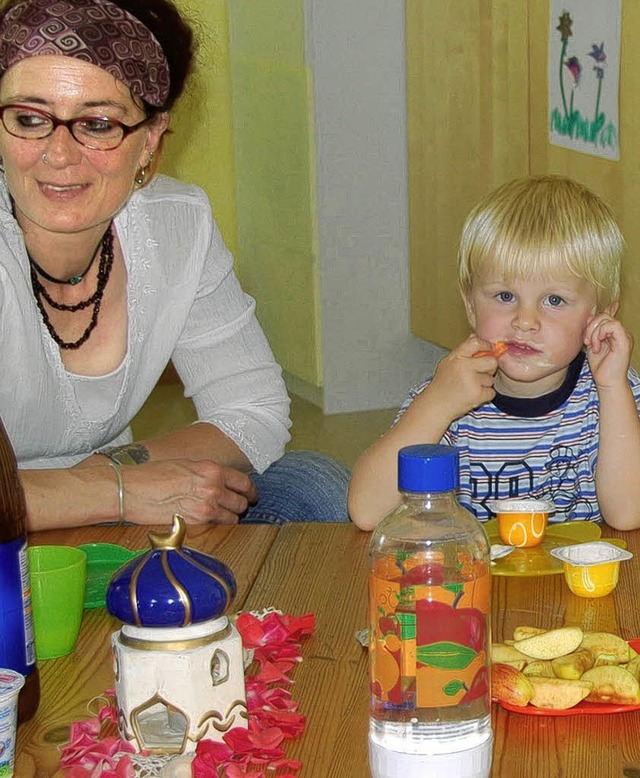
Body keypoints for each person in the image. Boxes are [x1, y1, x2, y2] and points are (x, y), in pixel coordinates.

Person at [0, 0, 349, 529]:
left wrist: (109, 478)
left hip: (103, 503)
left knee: (315, 488)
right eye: (29, 118)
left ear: (151, 138)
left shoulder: (175, 224)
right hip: (27, 522)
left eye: (97, 124)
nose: (59, 154)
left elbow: (254, 411)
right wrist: (112, 493)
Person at [349, 175, 640, 530]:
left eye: (554, 300)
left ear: (600, 318)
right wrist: (437, 404)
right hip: (476, 581)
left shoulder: (612, 393)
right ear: (470, 306)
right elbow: (366, 511)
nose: (525, 321)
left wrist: (612, 389)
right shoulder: (450, 396)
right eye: (505, 296)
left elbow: (628, 514)